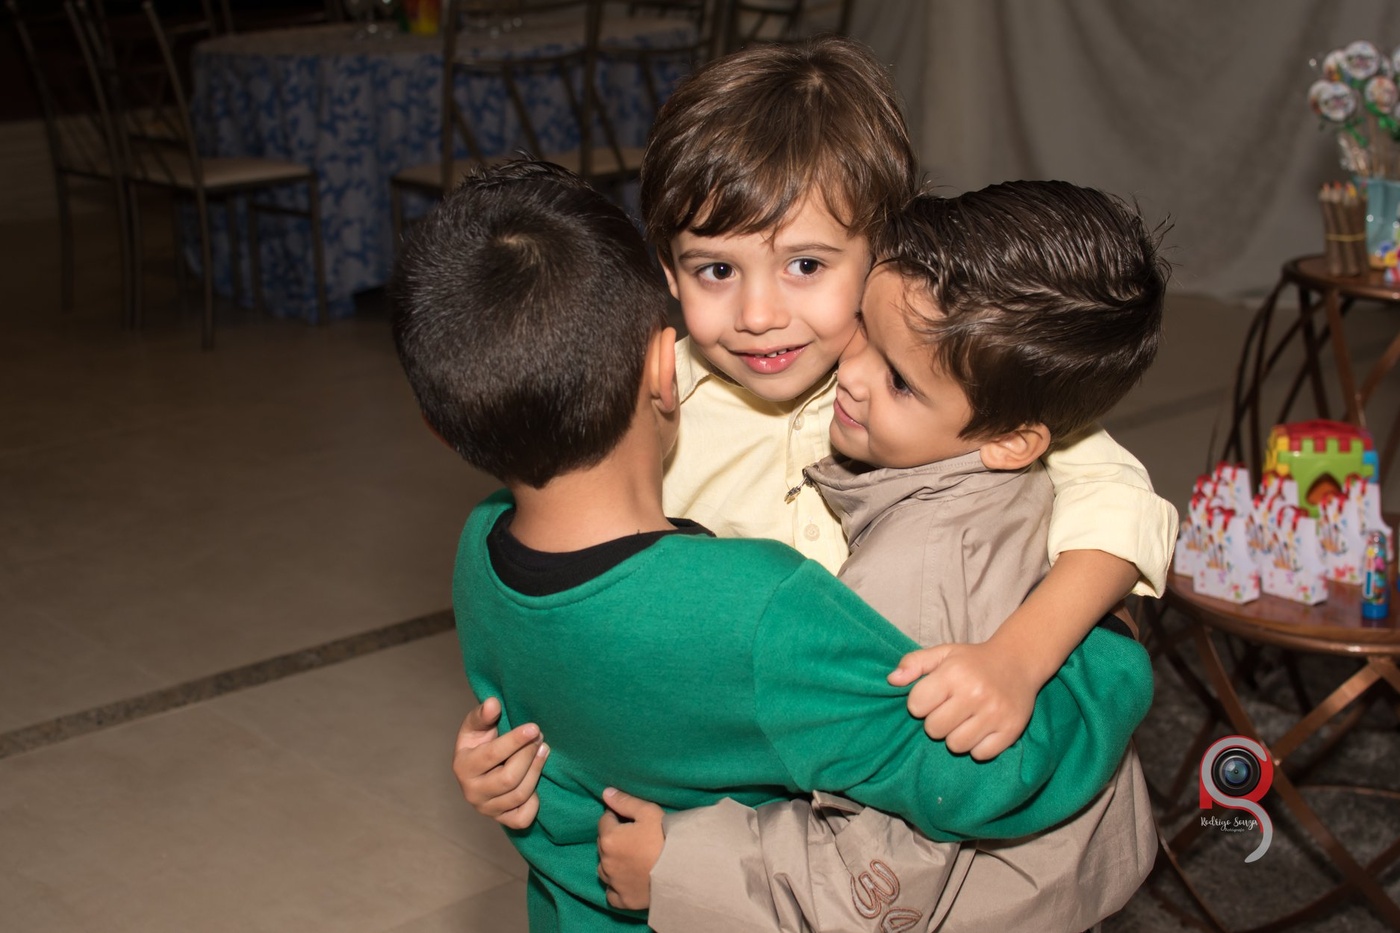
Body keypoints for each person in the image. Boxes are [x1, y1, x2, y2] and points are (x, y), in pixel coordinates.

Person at [390, 160, 1154, 933]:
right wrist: (1108, 648)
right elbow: (968, 786)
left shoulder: (477, 548)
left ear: (440, 429)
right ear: (664, 367)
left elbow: (555, 730)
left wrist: (497, 769)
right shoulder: (766, 609)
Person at [456, 34, 1175, 826]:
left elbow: (1120, 503)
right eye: (716, 270)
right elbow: (571, 598)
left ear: (883, 249)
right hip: (724, 802)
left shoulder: (945, 380)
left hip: (905, 778)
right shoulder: (643, 409)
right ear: (667, 270)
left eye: (806, 265)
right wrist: (519, 750)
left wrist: (1020, 656)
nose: (760, 315)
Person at [595, 180, 1168, 932]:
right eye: (863, 326)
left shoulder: (911, 591)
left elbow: (879, 876)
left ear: (1013, 441)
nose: (854, 374)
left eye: (898, 380)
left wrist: (678, 868)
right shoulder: (978, 427)